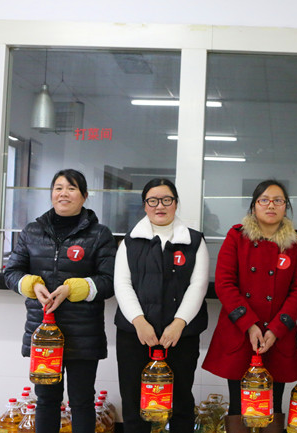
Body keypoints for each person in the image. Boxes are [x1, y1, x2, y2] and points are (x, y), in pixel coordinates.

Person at [4, 169, 116, 433]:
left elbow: (109, 281)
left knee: (82, 400)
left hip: (83, 333)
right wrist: (32, 284)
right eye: (58, 188)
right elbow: (11, 273)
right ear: (51, 194)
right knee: (46, 399)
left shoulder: (100, 234)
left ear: (84, 196)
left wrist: (73, 288)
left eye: (71, 188)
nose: (63, 193)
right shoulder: (32, 231)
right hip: (43, 332)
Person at [202, 180, 297, 433]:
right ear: (254, 206)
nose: (271, 205)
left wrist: (276, 330)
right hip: (241, 332)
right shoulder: (237, 237)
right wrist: (249, 325)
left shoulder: (296, 243)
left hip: (278, 334)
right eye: (264, 200)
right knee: (238, 403)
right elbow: (225, 283)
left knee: (274, 403)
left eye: (278, 200)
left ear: (286, 206)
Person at [114, 178, 209, 433]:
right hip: (135, 335)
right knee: (134, 401)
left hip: (180, 336)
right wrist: (139, 322)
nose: (160, 206)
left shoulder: (194, 241)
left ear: (175, 203)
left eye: (166, 200)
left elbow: (198, 285)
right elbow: (122, 284)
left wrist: (179, 323)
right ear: (144, 205)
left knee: (181, 401)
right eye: (153, 201)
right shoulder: (130, 241)